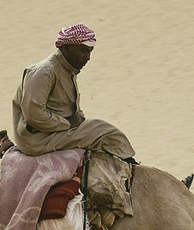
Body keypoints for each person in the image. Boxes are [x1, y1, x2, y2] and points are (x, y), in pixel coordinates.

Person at [9, 24, 135, 160]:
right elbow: (33, 115)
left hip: (57, 131)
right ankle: (131, 166)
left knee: (97, 128)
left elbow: (70, 109)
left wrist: (77, 121)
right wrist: (68, 123)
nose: (88, 57)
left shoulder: (68, 71)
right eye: (83, 51)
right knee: (106, 132)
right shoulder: (44, 71)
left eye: (90, 52)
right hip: (38, 139)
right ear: (66, 48)